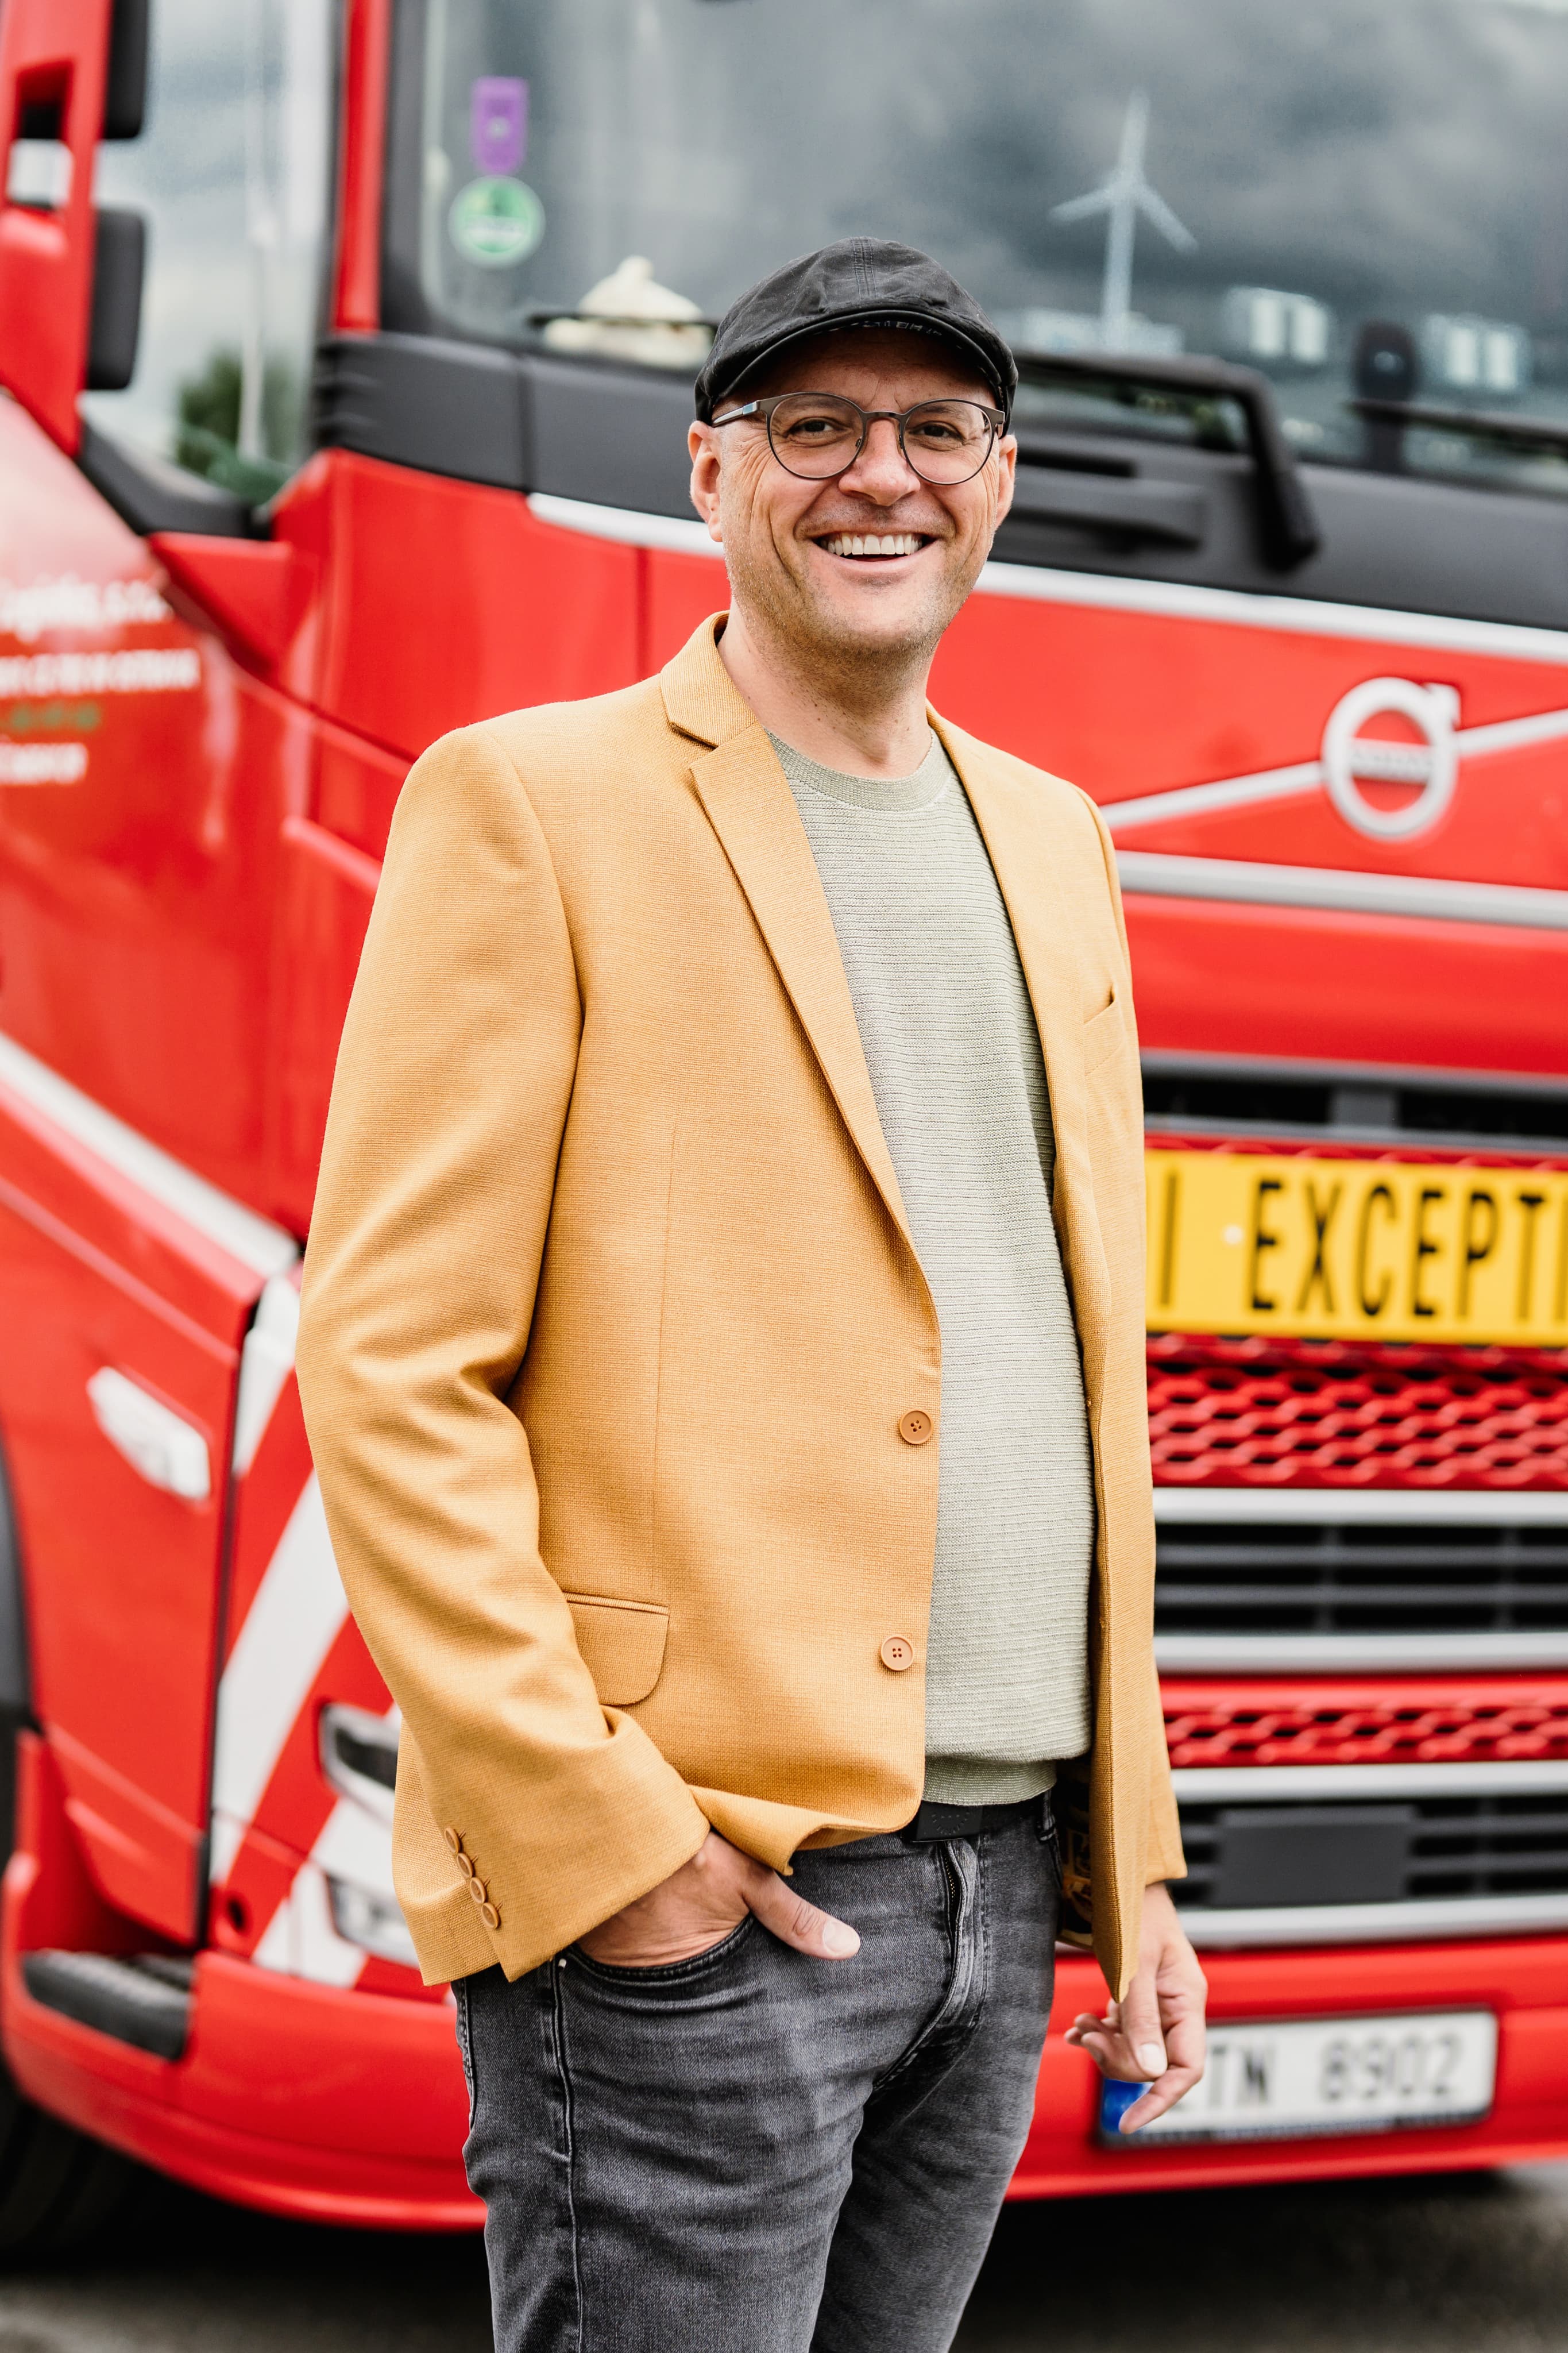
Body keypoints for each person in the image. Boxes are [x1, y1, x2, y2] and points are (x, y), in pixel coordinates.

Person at [297, 238, 1207, 2353]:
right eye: (813, 427)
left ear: (999, 478)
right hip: (709, 1890)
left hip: (1008, 1890)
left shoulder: (1056, 840)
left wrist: (1134, 1863)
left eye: (936, 430)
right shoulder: (533, 803)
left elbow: (1085, 1380)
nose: (879, 476)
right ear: (711, 473)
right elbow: (394, 1365)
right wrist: (606, 1844)